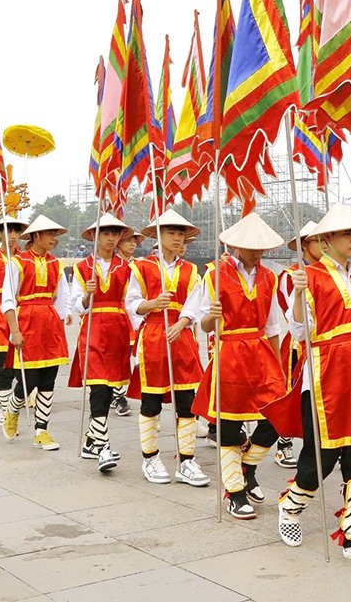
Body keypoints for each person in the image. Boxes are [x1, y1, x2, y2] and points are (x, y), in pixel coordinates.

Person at [264, 205, 351, 567]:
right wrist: (300, 298)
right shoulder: (308, 276)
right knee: (320, 458)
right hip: (322, 373)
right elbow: (300, 333)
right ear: (324, 240)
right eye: (347, 234)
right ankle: (290, 507)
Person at [189, 213, 287, 519]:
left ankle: (248, 465)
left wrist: (280, 366)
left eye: (261, 246)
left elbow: (272, 326)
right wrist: (212, 315)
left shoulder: (270, 277)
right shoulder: (214, 274)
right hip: (230, 351)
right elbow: (204, 324)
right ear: (236, 246)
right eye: (251, 246)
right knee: (229, 426)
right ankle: (234, 490)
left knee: (278, 416)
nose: (257, 251)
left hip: (261, 352)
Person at [125, 209, 208, 487]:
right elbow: (132, 303)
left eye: (180, 233)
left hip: (180, 334)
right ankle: (150, 456)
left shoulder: (191, 270)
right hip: (153, 335)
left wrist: (183, 321)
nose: (177, 238)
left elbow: (196, 303)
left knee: (187, 401)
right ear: (158, 236)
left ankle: (186, 460)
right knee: (151, 401)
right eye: (171, 232)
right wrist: (152, 304)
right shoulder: (142, 267)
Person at [68, 213, 134, 473]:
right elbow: (77, 306)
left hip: (117, 329)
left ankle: (90, 440)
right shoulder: (82, 267)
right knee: (97, 386)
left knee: (108, 390)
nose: (110, 238)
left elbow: (131, 302)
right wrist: (87, 295)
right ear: (95, 236)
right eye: (105, 233)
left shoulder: (128, 267)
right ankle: (104, 448)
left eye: (114, 234)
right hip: (93, 328)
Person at [1, 215, 71, 450]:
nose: (53, 239)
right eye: (49, 234)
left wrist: (64, 317)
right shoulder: (17, 262)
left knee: (49, 379)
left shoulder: (56, 264)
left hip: (50, 324)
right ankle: (12, 408)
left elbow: (62, 296)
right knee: (27, 380)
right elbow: (8, 300)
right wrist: (15, 331)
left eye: (55, 234)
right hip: (27, 321)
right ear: (36, 236)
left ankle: (42, 430)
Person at [272, 221, 318, 470]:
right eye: (316, 240)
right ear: (304, 245)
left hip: (324, 341)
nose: (323, 244)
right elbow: (294, 313)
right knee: (291, 390)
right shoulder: (291, 275)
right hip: (297, 340)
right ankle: (283, 444)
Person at [0, 214, 28, 425]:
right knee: (3, 366)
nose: (12, 236)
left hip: (21, 314)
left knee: (21, 366)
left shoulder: (25, 258)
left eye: (16, 232)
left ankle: (5, 406)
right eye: (7, 231)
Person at [110, 229, 146, 418]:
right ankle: (118, 396)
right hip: (116, 313)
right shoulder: (113, 264)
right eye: (128, 241)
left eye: (135, 241)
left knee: (132, 355)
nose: (133, 244)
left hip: (134, 314)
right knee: (118, 355)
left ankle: (119, 392)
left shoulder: (138, 265)